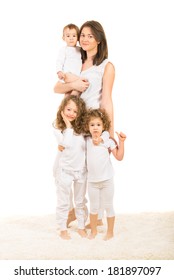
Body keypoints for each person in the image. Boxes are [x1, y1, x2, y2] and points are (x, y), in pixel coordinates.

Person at [54, 20, 115, 227]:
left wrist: (110, 133)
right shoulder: (74, 60)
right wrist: (74, 83)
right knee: (59, 168)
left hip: (91, 126)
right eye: (82, 35)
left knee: (87, 172)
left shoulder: (106, 66)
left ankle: (92, 218)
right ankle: (71, 211)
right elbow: (56, 88)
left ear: (98, 39)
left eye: (90, 35)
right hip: (71, 122)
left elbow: (106, 99)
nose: (84, 39)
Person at [84, 108, 126, 240]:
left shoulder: (107, 140)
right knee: (94, 206)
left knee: (109, 205)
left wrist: (122, 142)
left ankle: (110, 232)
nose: (95, 127)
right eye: (92, 125)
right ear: (88, 127)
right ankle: (94, 231)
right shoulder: (86, 141)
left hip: (107, 180)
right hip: (92, 182)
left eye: (98, 124)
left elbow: (119, 157)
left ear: (103, 126)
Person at [52, 95, 88, 240]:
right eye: (68, 109)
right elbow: (65, 144)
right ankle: (62, 228)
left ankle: (81, 226)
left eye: (75, 111)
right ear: (62, 109)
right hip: (65, 170)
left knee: (80, 201)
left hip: (80, 171)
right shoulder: (58, 126)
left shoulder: (83, 129)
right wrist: (67, 126)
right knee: (64, 201)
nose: (71, 113)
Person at [56, 23, 84, 96]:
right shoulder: (64, 50)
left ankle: (66, 106)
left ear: (78, 37)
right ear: (63, 38)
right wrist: (59, 72)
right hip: (67, 75)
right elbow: (59, 61)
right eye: (68, 36)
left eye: (74, 36)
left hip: (77, 75)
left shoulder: (80, 50)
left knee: (71, 95)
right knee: (71, 92)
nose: (71, 38)